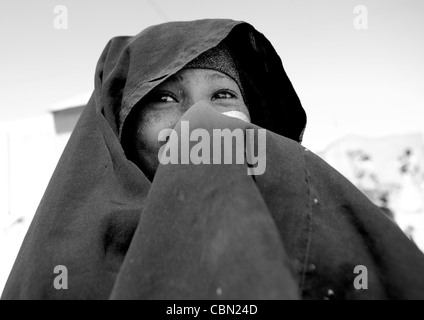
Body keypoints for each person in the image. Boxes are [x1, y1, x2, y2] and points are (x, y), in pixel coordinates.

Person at [2, 19, 424, 300]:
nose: (197, 120)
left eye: (222, 95)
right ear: (124, 127)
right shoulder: (65, 264)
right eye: (164, 97)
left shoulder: (317, 210)